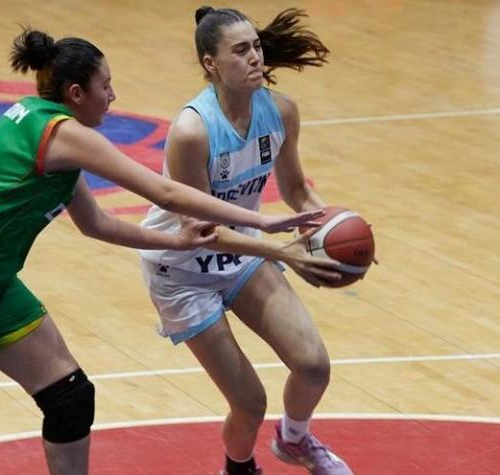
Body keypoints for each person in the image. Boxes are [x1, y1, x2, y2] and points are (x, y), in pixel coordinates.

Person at [0, 28, 327, 474]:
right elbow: (164, 193)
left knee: (71, 399)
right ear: (76, 93)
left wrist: (177, 241)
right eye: (106, 86)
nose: (113, 96)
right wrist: (261, 221)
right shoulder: (65, 134)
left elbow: (95, 223)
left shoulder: (42, 125)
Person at [139, 6, 358, 475]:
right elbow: (203, 230)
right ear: (211, 63)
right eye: (240, 50)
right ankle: (239, 469)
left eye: (256, 46)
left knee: (313, 366)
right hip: (182, 271)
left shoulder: (280, 111)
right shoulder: (192, 130)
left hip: (243, 254)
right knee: (250, 402)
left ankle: (294, 440)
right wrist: (281, 250)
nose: (255, 57)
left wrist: (335, 228)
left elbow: (296, 189)